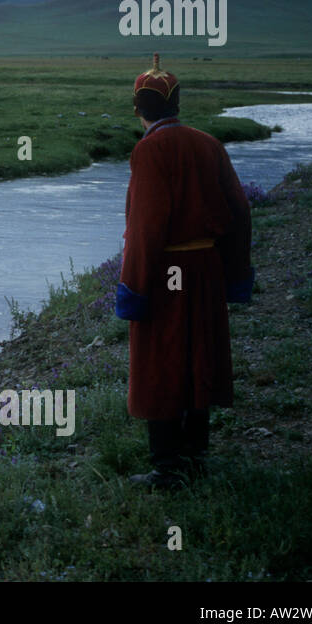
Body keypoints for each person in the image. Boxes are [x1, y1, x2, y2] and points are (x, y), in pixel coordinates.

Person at [115, 53, 254, 489]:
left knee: (160, 362)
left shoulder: (149, 150)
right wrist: (233, 272)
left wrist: (133, 286)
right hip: (206, 269)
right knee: (199, 357)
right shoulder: (208, 143)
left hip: (165, 272)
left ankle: (167, 468)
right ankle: (196, 457)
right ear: (177, 105)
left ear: (138, 109)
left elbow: (145, 228)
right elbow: (239, 210)